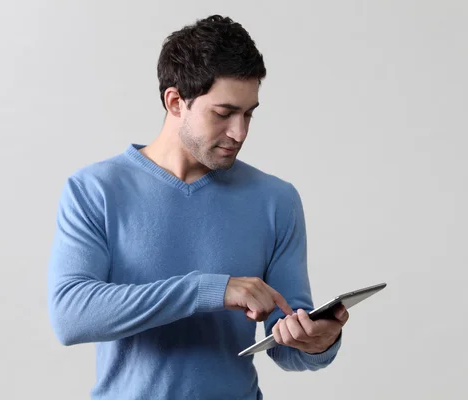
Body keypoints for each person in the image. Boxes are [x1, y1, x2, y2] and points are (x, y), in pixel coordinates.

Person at [47, 14, 349, 400]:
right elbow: (70, 316)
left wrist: (316, 341)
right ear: (175, 102)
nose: (239, 133)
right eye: (223, 114)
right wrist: (210, 289)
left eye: (249, 113)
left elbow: (288, 343)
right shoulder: (95, 190)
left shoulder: (276, 200)